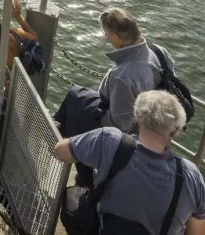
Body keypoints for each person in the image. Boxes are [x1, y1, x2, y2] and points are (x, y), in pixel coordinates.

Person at [54, 91, 205, 235]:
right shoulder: (190, 176)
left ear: (137, 117)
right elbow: (197, 231)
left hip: (105, 230)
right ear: (174, 132)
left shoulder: (110, 140)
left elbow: (61, 151)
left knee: (73, 196)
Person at [54, 7, 175, 185]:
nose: (105, 37)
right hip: (152, 124)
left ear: (116, 38)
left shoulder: (124, 75)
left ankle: (86, 176)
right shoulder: (159, 52)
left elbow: (120, 125)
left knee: (75, 106)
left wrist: (90, 115)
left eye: (106, 34)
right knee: (77, 96)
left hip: (129, 133)